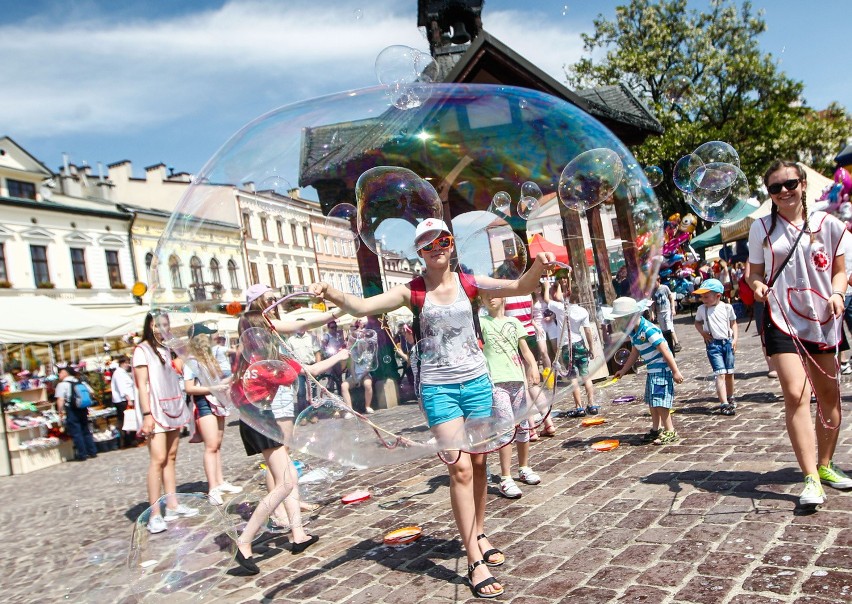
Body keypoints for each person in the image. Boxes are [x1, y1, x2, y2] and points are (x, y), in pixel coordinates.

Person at [309, 217, 556, 598]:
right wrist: (333, 293)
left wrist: (540, 265)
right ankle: (474, 559)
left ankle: (479, 533)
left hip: (476, 383)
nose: (437, 246)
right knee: (458, 468)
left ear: (451, 244)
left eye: (443, 239)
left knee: (478, 464)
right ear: (420, 252)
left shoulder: (469, 283)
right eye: (428, 243)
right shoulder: (412, 291)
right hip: (439, 389)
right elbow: (361, 307)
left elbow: (522, 285)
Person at [746, 159, 852, 508]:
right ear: (770, 195)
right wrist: (758, 286)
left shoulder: (829, 224)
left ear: (802, 183)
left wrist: (837, 293)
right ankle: (809, 478)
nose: (784, 191)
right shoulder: (761, 227)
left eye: (789, 183)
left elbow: (840, 270)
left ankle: (824, 466)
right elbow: (754, 273)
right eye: (775, 187)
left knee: (829, 398)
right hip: (781, 318)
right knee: (795, 394)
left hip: (823, 318)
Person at [231, 285, 349, 574]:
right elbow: (308, 370)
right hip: (264, 423)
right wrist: (338, 357)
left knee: (289, 476)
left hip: (256, 421)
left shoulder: (250, 361)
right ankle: (245, 542)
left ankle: (298, 535)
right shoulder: (269, 365)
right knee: (284, 482)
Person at [134, 312, 196, 534]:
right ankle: (154, 514)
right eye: (158, 325)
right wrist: (147, 414)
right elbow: (142, 385)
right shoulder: (142, 350)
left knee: (170, 458)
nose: (162, 329)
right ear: (149, 326)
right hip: (155, 408)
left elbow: (178, 369)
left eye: (165, 325)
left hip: (173, 405)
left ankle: (172, 505)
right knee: (158, 459)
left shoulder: (166, 349)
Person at [479, 291, 543, 499]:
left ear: (504, 297)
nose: (491, 298)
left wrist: (533, 366)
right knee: (505, 428)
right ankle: (505, 477)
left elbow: (524, 349)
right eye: (485, 296)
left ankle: (524, 467)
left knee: (523, 426)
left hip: (517, 380)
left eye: (495, 294)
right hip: (496, 383)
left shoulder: (514, 322)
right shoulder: (481, 323)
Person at [610, 297, 684, 445]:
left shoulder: (648, 330)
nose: (619, 323)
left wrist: (675, 371)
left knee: (661, 401)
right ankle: (657, 429)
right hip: (652, 371)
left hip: (661, 369)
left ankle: (670, 430)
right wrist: (623, 370)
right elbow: (634, 353)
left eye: (620, 319)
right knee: (652, 401)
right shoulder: (634, 332)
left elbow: (665, 350)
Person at [183, 323, 242, 506]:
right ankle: (213, 488)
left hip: (217, 401)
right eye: (207, 336)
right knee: (210, 446)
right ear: (199, 339)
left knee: (217, 444)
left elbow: (216, 381)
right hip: (204, 403)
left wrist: (230, 379)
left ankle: (220, 481)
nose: (210, 339)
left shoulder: (208, 358)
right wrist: (213, 388)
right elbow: (189, 388)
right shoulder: (191, 360)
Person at [545, 285, 597, 417]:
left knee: (573, 378)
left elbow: (546, 299)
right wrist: (591, 348)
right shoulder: (582, 311)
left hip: (567, 347)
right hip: (579, 344)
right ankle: (591, 405)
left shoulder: (560, 308)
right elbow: (587, 331)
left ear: (566, 295)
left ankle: (579, 407)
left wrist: (546, 286)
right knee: (586, 376)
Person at [693, 278, 738, 416]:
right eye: (702, 296)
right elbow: (697, 323)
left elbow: (734, 323)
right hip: (713, 345)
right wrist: (703, 334)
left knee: (729, 373)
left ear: (718, 295)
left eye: (706, 296)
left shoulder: (727, 307)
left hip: (727, 342)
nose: (703, 299)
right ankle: (723, 403)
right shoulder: (702, 309)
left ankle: (730, 397)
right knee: (720, 373)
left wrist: (735, 339)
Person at [55, 363, 98, 461]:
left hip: (72, 410)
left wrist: (60, 411)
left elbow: (60, 399)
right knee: (86, 430)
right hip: (83, 408)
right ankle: (93, 451)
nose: (59, 375)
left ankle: (82, 454)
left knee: (76, 432)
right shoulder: (80, 382)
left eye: (60, 372)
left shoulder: (62, 385)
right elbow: (91, 392)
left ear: (66, 373)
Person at [285, 318, 322, 416]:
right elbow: (288, 357)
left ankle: (314, 413)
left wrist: (318, 366)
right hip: (298, 369)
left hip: (311, 367)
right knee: (300, 392)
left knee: (313, 391)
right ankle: (303, 415)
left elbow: (317, 353)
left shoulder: (312, 338)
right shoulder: (290, 340)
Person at [110, 355, 138, 449]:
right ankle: (127, 441)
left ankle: (132, 440)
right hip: (123, 400)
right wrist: (129, 399)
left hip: (127, 399)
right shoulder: (118, 373)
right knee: (125, 421)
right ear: (122, 363)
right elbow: (122, 387)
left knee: (129, 420)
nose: (128, 365)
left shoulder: (123, 372)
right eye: (126, 363)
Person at [652, 276, 681, 354]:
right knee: (664, 330)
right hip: (659, 312)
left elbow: (671, 298)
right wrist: (653, 313)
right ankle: (668, 344)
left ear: (658, 281)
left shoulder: (665, 288)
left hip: (667, 310)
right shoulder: (653, 291)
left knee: (669, 327)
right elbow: (653, 303)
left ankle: (676, 343)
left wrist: (673, 309)